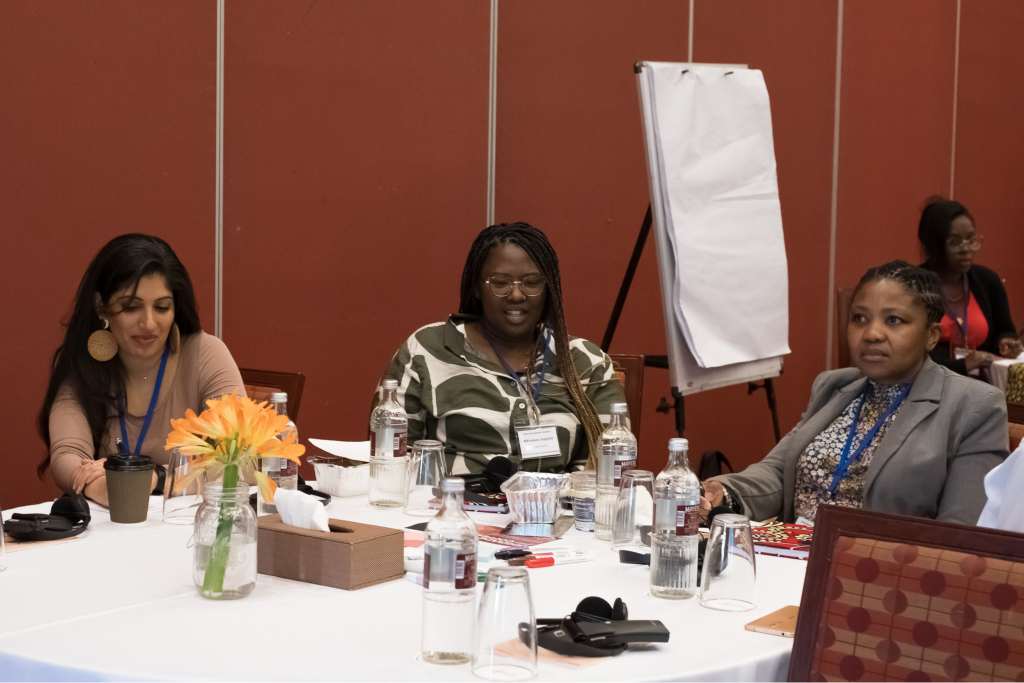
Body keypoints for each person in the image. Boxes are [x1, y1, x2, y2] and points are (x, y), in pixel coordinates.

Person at [702, 261, 1008, 526]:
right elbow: (780, 471)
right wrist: (724, 491)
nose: (871, 334)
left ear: (931, 336)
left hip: (880, 569)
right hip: (789, 559)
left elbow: (960, 533)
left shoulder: (973, 407)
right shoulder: (834, 387)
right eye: (859, 318)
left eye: (893, 320)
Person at [379, 222, 625, 473]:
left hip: (557, 498)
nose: (516, 295)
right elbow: (392, 458)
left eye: (531, 282)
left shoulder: (584, 361)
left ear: (548, 289)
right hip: (449, 496)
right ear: (477, 288)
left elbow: (605, 470)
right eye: (500, 282)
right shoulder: (427, 350)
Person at [37, 234, 245, 506]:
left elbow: (239, 461)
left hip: (186, 523)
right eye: (131, 307)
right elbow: (67, 454)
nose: (148, 323)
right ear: (101, 308)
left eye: (162, 307)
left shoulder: (205, 354)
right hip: (114, 524)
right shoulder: (82, 363)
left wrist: (155, 478)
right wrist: (98, 485)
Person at [918, 197, 1021, 375]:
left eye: (971, 239)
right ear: (934, 245)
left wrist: (1006, 343)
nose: (966, 249)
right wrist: (963, 365)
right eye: (955, 242)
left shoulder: (987, 280)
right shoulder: (914, 285)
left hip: (983, 384)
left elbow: (1005, 330)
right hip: (931, 383)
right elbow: (911, 355)